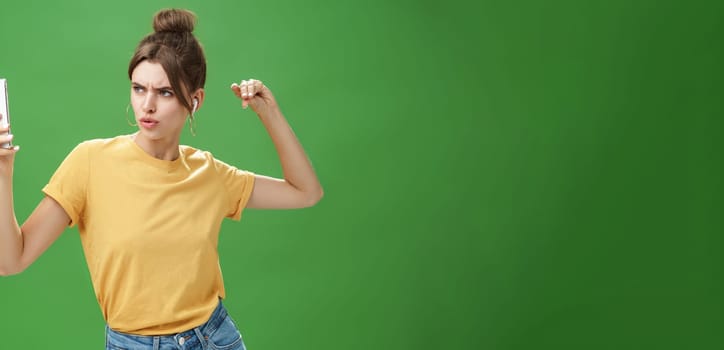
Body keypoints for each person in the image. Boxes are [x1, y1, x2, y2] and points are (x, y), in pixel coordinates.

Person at [0, 8, 323, 350]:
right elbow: (11, 260)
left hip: (213, 339)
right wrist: (3, 173)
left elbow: (306, 192)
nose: (147, 105)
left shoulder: (209, 173)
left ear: (195, 101)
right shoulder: (90, 162)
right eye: (139, 89)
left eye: (165, 92)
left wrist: (267, 112)